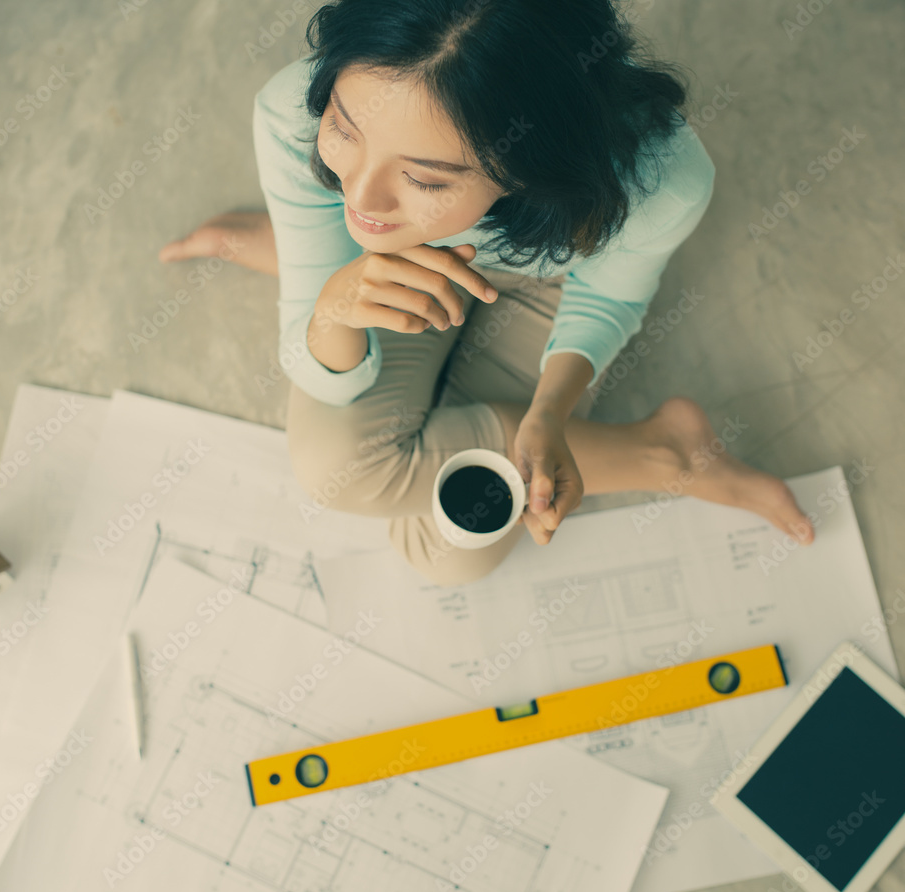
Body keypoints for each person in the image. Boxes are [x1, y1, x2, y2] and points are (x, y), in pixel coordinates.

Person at [161, 0, 814, 585]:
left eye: (425, 179)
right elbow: (319, 359)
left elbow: (606, 300)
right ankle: (663, 456)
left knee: (447, 552)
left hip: (546, 281)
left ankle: (289, 244)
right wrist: (333, 300)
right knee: (340, 469)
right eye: (344, 129)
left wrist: (550, 415)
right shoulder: (289, 114)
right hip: (409, 263)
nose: (357, 198)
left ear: (528, 168)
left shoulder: (659, 182)